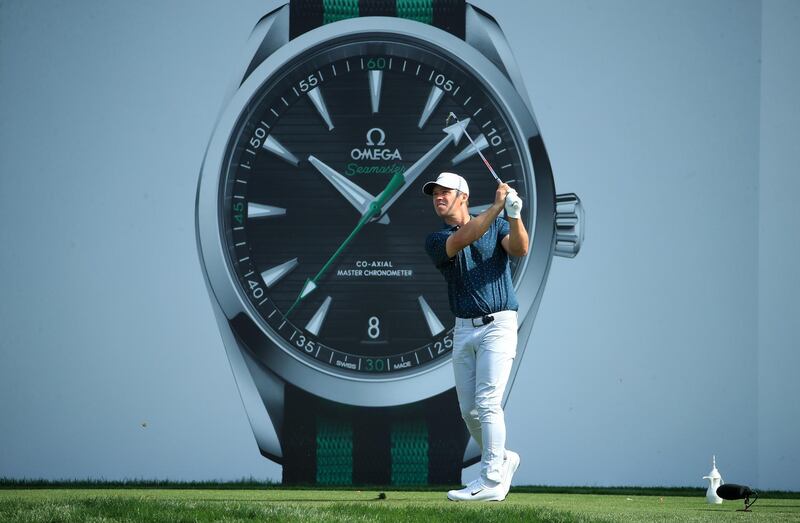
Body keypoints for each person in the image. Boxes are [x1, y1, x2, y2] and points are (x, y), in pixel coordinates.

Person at [422, 171, 529, 502]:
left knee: (487, 403)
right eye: (435, 193)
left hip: (498, 325)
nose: (438, 197)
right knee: (470, 412)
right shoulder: (436, 240)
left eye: (445, 192)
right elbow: (465, 237)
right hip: (464, 329)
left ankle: (492, 480)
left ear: (463, 197)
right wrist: (498, 207)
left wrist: (513, 215)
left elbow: (520, 248)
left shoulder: (496, 224)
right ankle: (503, 459)